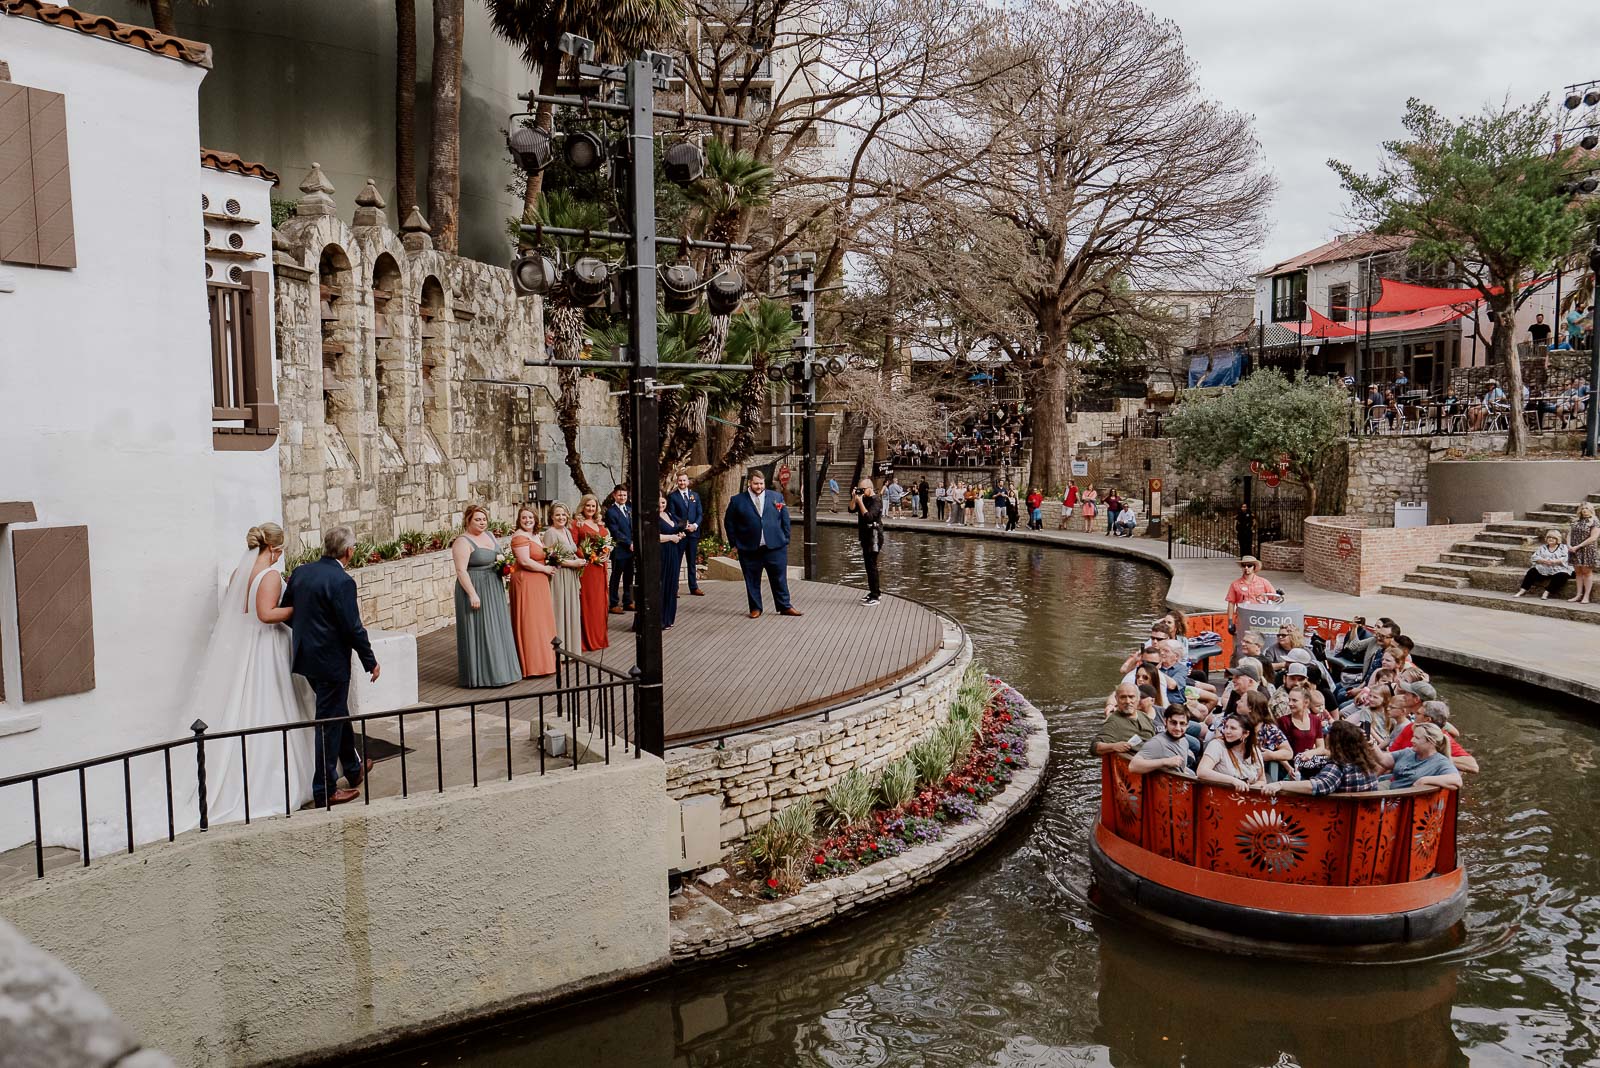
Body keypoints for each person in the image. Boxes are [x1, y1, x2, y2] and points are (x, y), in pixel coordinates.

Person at [177, 523, 317, 828]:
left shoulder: (238, 574)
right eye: (280, 550)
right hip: (266, 646)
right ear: (272, 548)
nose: (281, 555)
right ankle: (268, 782)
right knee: (272, 706)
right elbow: (265, 614)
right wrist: (298, 608)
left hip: (244, 649)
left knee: (242, 708)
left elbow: (239, 612)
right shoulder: (269, 576)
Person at [283, 524, 380, 808]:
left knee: (337, 711)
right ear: (349, 551)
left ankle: (353, 768)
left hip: (306, 657)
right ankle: (324, 789)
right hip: (332, 662)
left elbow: (289, 611)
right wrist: (370, 661)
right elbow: (353, 628)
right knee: (328, 722)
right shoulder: (342, 581)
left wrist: (310, 636)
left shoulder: (301, 572)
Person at [451, 504, 521, 688]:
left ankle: (502, 671)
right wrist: (473, 594)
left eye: (484, 519)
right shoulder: (462, 542)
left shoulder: (489, 535)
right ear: (468, 520)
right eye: (477, 519)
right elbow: (461, 571)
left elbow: (498, 559)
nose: (482, 523)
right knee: (481, 629)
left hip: (494, 586)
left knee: (497, 627)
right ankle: (481, 676)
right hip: (475, 587)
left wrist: (504, 571)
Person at [723, 469, 801, 618]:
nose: (759, 486)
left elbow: (785, 519)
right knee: (752, 579)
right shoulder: (737, 500)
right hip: (749, 548)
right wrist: (735, 543)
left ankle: (785, 606)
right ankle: (755, 608)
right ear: (749, 484)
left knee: (779, 578)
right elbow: (729, 523)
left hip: (775, 547)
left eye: (761, 483)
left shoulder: (776, 497)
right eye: (756, 483)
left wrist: (785, 539)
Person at [1262, 720, 1382, 796]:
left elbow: (1317, 786)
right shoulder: (1366, 764)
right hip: (1366, 824)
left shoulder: (1339, 766)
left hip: (1336, 825)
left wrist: (1280, 784)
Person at [508, 505, 558, 678]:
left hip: (539, 581)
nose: (527, 520)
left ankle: (545, 662)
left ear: (536, 519)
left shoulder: (535, 535)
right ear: (519, 520)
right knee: (530, 621)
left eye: (530, 517)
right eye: (524, 518)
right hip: (527, 581)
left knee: (542, 620)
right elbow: (524, 561)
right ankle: (531, 664)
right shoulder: (519, 537)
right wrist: (544, 569)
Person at [1388, 700, 1479, 774]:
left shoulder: (1441, 738)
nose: (1413, 716)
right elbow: (1391, 754)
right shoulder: (1409, 728)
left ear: (1427, 720)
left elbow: (1473, 767)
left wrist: (1434, 758)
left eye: (1418, 714)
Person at [541, 503, 586, 653]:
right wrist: (573, 563)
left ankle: (571, 648)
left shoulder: (566, 531)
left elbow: (571, 550)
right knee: (560, 610)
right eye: (557, 515)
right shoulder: (550, 533)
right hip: (559, 576)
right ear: (551, 517)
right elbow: (550, 558)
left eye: (563, 514)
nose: (561, 517)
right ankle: (558, 651)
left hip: (571, 576)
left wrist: (580, 561)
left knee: (571, 610)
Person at [573, 494, 613, 651]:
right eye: (587, 505)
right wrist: (589, 556)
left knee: (600, 601)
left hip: (600, 568)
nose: (590, 508)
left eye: (593, 506)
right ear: (582, 506)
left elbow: (607, 542)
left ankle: (599, 637)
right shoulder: (577, 524)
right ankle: (587, 639)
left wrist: (607, 552)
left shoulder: (600, 524)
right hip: (587, 568)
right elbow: (574, 545)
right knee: (588, 601)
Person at [1374, 722, 1463, 791]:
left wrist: (1424, 780)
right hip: (1390, 790)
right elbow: (1383, 760)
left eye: (1417, 738)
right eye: (1413, 736)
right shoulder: (1409, 751)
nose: (1412, 740)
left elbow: (1457, 781)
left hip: (1402, 803)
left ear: (1431, 742)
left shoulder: (1441, 762)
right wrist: (1371, 745)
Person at [1196, 713, 1263, 791]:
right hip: (1219, 795)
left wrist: (1248, 788)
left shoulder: (1254, 751)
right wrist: (1233, 781)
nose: (1227, 731)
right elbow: (1202, 771)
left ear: (1246, 734)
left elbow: (1262, 780)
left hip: (1247, 798)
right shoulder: (1217, 745)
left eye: (1233, 728)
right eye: (1226, 727)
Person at [666, 472, 705, 597]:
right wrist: (684, 525)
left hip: (693, 533)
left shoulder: (695, 496)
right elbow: (672, 514)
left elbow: (700, 513)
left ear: (688, 482)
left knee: (691, 561)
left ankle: (694, 587)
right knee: (676, 561)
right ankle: (674, 588)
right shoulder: (672, 497)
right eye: (680, 481)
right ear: (677, 482)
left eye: (684, 480)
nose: (682, 483)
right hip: (680, 533)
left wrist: (695, 526)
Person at [1129, 703, 1195, 775]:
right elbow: (1133, 766)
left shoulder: (1184, 740)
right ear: (1165, 721)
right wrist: (1165, 762)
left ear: (1187, 725)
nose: (1178, 728)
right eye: (1173, 722)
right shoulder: (1157, 742)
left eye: (1182, 723)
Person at [1093, 682, 1156, 757]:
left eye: (1131, 697)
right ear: (1116, 699)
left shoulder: (1144, 716)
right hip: (1138, 764)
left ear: (1138, 698)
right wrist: (1114, 746)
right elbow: (1095, 747)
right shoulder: (1113, 722)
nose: (1127, 701)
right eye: (1123, 697)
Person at [850, 477, 885, 606]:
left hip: (874, 536)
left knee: (872, 565)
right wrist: (855, 498)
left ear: (870, 488)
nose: (862, 492)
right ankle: (873, 591)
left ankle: (876, 595)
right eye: (860, 489)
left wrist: (860, 502)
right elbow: (851, 509)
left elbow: (869, 517)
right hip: (865, 536)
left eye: (863, 489)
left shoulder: (877, 500)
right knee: (868, 565)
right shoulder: (862, 499)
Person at [656, 495, 688, 628]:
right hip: (661, 554)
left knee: (671, 584)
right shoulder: (651, 518)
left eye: (663, 502)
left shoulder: (669, 514)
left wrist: (679, 535)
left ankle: (668, 618)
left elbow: (678, 528)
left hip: (673, 552)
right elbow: (652, 536)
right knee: (661, 584)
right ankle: (659, 620)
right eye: (658, 503)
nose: (661, 505)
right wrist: (671, 537)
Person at [603, 486, 634, 614]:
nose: (622, 498)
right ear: (614, 496)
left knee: (629, 576)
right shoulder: (611, 512)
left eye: (625, 495)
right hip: (620, 550)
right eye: (620, 495)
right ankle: (614, 603)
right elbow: (615, 531)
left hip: (631, 550)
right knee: (616, 577)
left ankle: (628, 601)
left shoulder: (630, 509)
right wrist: (628, 543)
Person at [1224, 556, 1277, 631]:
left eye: (1249, 566)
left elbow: (1274, 597)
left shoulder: (1264, 582)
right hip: (1242, 620)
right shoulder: (1235, 584)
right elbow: (1231, 603)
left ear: (1254, 567)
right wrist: (1230, 622)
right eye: (1243, 565)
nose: (1246, 568)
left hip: (1260, 620)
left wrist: (1279, 594)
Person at [1516, 529, 1573, 599]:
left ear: (1557, 539)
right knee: (1532, 572)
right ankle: (1522, 590)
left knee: (1562, 576)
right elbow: (1534, 557)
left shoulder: (1563, 547)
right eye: (1549, 537)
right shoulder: (1543, 547)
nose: (1551, 539)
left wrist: (1554, 562)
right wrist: (1543, 560)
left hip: (1559, 568)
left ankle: (1547, 592)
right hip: (1544, 568)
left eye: (1553, 538)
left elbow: (1566, 558)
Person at [1567, 502, 1598, 604]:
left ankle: (1586, 596)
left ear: (1591, 509)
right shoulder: (1576, 521)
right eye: (1583, 508)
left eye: (1587, 508)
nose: (1584, 510)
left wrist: (1579, 546)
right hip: (1574, 549)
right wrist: (1569, 545)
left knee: (1587, 572)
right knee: (1578, 572)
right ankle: (1578, 595)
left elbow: (1593, 537)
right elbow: (1569, 534)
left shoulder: (1594, 521)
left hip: (1587, 549)